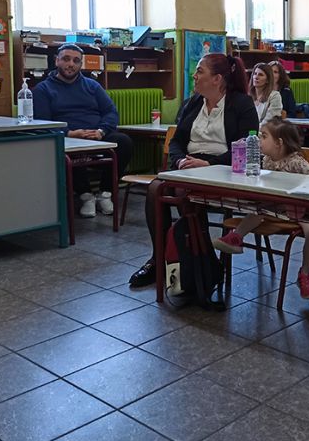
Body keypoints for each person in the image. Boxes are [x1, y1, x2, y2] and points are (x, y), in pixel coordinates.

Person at [129, 54, 259, 287]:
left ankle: (201, 261)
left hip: (223, 168)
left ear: (217, 78)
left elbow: (246, 146)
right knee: (155, 189)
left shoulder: (242, 104)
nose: (194, 76)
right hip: (188, 165)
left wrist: (210, 164)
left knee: (183, 192)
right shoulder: (193, 103)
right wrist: (179, 161)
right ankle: (159, 259)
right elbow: (177, 141)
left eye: (200, 71)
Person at [212, 117, 309, 298]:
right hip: (275, 207)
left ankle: (305, 273)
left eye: (264, 136)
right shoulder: (267, 160)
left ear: (279, 143)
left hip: (299, 209)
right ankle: (236, 237)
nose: (259, 140)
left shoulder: (296, 162)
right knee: (258, 211)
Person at [32, 43, 133, 218]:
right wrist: (69, 133)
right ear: (56, 61)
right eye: (66, 59)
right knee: (67, 149)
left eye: (76, 61)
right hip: (68, 138)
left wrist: (101, 131)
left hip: (96, 135)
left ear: (81, 64)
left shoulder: (92, 86)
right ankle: (85, 196)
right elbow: (43, 122)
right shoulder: (43, 89)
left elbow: (111, 111)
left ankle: (105, 193)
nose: (71, 64)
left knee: (124, 142)